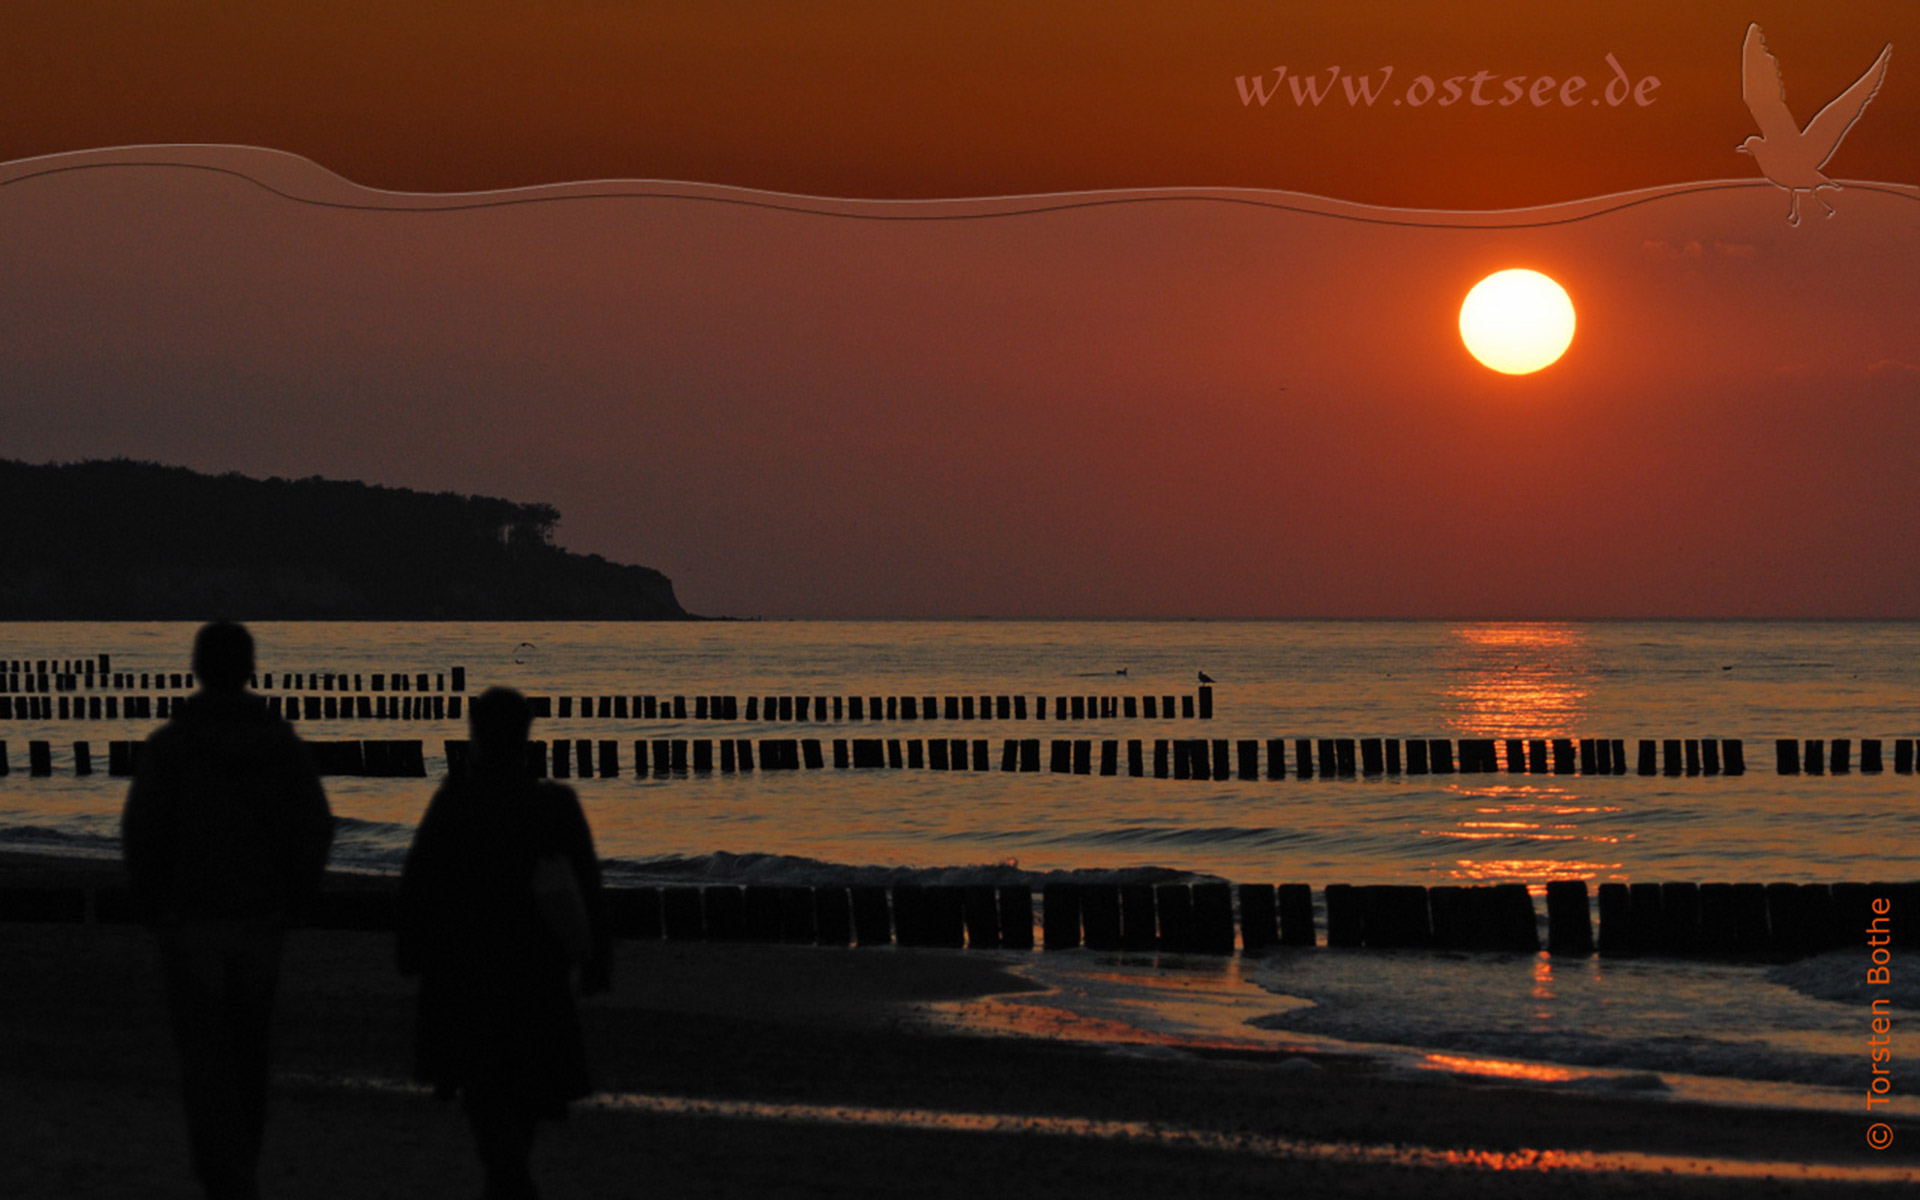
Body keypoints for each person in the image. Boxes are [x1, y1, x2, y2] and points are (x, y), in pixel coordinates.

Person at [122, 620, 334, 1200]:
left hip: (189, 918)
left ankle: (221, 1171)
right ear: (250, 671)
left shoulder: (172, 745)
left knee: (202, 1053)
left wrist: (149, 899)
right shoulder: (281, 744)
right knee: (250, 1047)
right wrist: (298, 896)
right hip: (261, 916)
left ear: (196, 670)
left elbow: (143, 830)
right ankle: (243, 1160)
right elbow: (315, 827)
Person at [398, 686, 610, 1200]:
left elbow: (418, 881)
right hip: (537, 969)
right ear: (526, 736)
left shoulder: (456, 800)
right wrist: (595, 960)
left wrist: (412, 948)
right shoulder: (555, 804)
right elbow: (588, 888)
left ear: (476, 736)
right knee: (528, 1080)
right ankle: (510, 1176)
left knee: (480, 1081)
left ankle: (508, 1176)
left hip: (464, 967)